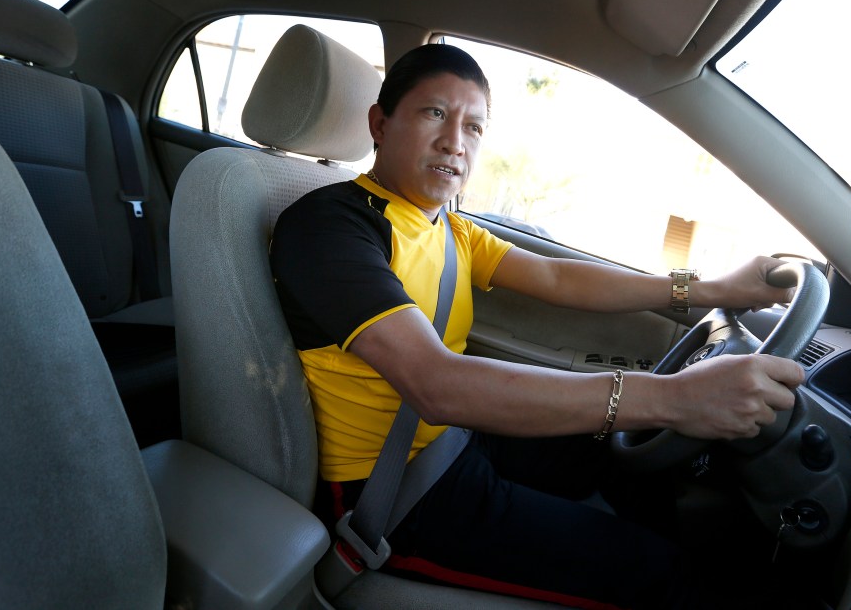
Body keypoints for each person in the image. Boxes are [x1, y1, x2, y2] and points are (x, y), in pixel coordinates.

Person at [270, 43, 804, 609]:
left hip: (457, 443)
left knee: (637, 465)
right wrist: (672, 398)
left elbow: (557, 278)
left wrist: (712, 289)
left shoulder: (450, 230)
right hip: (392, 494)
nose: (455, 141)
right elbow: (436, 384)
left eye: (473, 127)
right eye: (434, 114)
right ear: (381, 123)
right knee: (661, 578)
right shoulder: (331, 226)